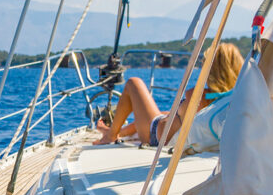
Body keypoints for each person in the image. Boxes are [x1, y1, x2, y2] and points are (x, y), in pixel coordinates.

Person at [93, 42, 243, 146]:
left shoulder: (196, 96)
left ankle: (111, 135)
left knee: (134, 83)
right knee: (165, 113)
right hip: (165, 128)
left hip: (155, 136)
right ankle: (113, 131)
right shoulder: (234, 99)